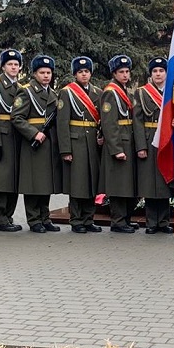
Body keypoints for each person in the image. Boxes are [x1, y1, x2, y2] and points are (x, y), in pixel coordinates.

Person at [12, 54, 63, 233]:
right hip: (33, 143)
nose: (46, 76)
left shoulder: (53, 93)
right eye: (42, 72)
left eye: (48, 72)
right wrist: (33, 133)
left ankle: (45, 217)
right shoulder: (26, 91)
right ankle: (34, 220)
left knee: (45, 183)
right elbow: (17, 117)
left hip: (49, 142)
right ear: (35, 74)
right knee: (33, 183)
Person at [58, 56, 104, 233]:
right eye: (80, 72)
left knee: (92, 182)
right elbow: (62, 123)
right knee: (77, 184)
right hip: (75, 142)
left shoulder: (97, 92)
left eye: (86, 71)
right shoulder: (67, 92)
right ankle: (76, 220)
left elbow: (101, 120)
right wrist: (65, 150)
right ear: (75, 74)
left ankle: (88, 218)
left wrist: (101, 137)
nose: (84, 74)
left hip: (92, 142)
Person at [133, 57, 174, 234]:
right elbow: (137, 121)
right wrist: (140, 146)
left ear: (166, 73)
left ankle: (164, 222)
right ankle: (151, 222)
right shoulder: (142, 93)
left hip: (167, 139)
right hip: (149, 139)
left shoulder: (173, 92)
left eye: (161, 71)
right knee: (149, 182)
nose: (158, 74)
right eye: (155, 71)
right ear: (150, 74)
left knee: (164, 181)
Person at [0, 49, 24, 232]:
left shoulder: (20, 87)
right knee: (2, 180)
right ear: (3, 67)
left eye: (16, 64)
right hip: (2, 136)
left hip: (17, 136)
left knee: (14, 179)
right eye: (10, 64)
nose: (13, 67)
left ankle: (8, 216)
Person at [100, 55, 137, 233]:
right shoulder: (110, 92)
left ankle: (126, 219)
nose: (125, 75)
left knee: (127, 184)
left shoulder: (125, 91)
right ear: (114, 74)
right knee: (118, 185)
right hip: (119, 144)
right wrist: (116, 149)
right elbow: (109, 123)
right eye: (121, 72)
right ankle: (118, 221)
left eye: (127, 71)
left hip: (128, 141)